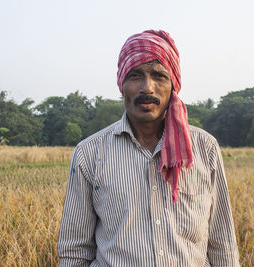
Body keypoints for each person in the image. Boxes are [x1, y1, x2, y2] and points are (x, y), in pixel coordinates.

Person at [58, 30, 240, 267]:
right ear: (121, 84)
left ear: (173, 85)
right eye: (135, 75)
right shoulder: (89, 154)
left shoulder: (205, 149)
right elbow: (75, 253)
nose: (147, 88)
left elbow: (222, 245)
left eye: (159, 76)